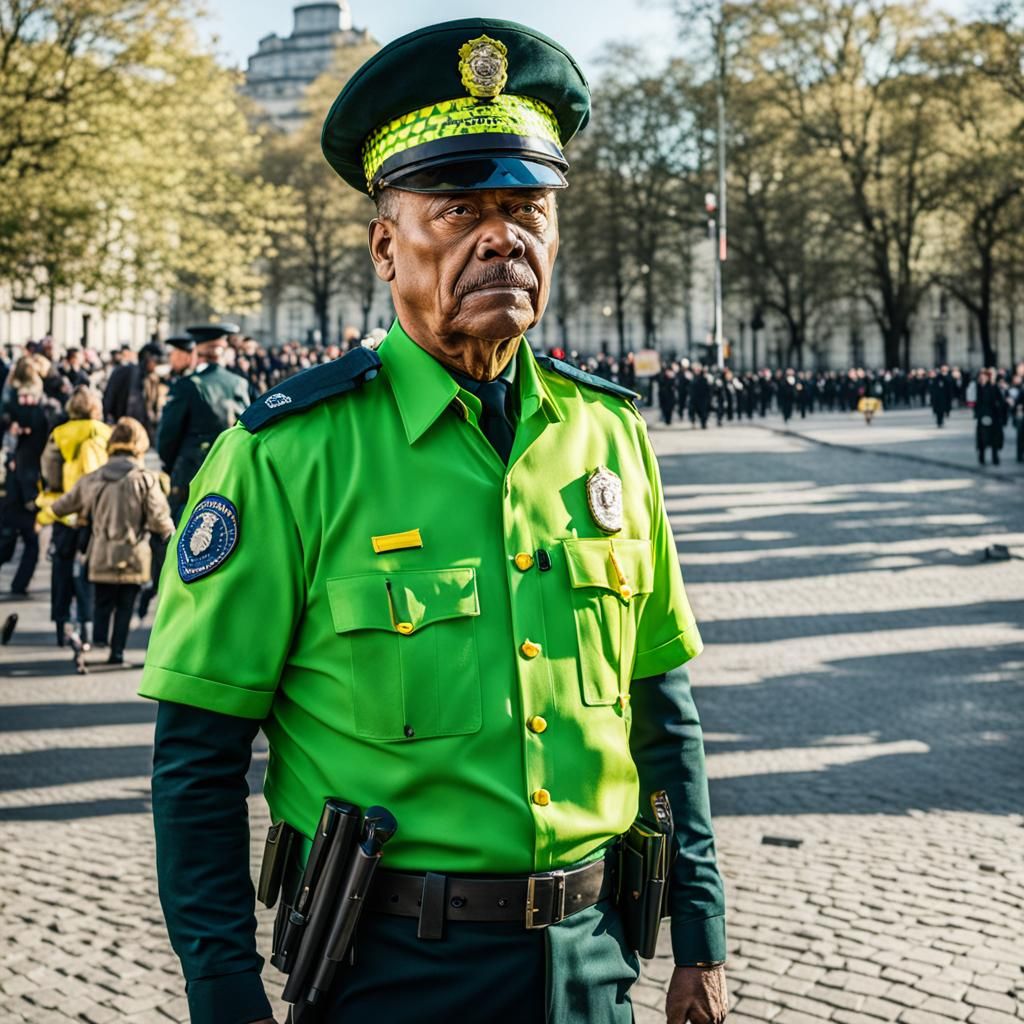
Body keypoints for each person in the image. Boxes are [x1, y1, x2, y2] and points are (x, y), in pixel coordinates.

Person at [140, 19, 728, 1024]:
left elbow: (660, 709)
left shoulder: (609, 437)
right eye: (458, 210)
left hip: (594, 964)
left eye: (528, 208)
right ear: (386, 246)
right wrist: (224, 996)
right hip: (392, 970)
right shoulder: (286, 455)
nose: (502, 237)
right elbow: (197, 758)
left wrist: (700, 938)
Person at [52, 417, 172, 664]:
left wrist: (76, 516)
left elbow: (60, 507)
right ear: (140, 444)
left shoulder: (94, 477)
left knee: (103, 600)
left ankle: (98, 642)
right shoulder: (146, 479)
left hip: (101, 553)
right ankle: (117, 651)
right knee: (126, 604)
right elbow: (160, 521)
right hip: (134, 553)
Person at [36, 386, 111, 646]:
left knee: (61, 568)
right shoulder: (105, 433)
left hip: (65, 512)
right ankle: (88, 626)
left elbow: (49, 473)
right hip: (96, 513)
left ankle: (62, 624)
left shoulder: (59, 435)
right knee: (90, 571)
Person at [156, 323, 250, 522]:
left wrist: (172, 465)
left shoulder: (187, 385)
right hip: (232, 468)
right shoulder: (240, 383)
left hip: (193, 471)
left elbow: (168, 436)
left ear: (196, 353)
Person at [0, 356, 62, 595]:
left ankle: (19, 584)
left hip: (15, 482)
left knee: (11, 539)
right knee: (29, 540)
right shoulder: (42, 409)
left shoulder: (11, 403)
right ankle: (19, 585)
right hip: (28, 483)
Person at [974, 368, 1007, 465]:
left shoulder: (994, 387)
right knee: (982, 438)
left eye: (984, 377)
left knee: (994, 439)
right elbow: (976, 403)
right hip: (983, 416)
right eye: (981, 377)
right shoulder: (978, 388)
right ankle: (982, 456)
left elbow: (1000, 402)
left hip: (993, 416)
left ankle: (995, 457)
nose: (982, 379)